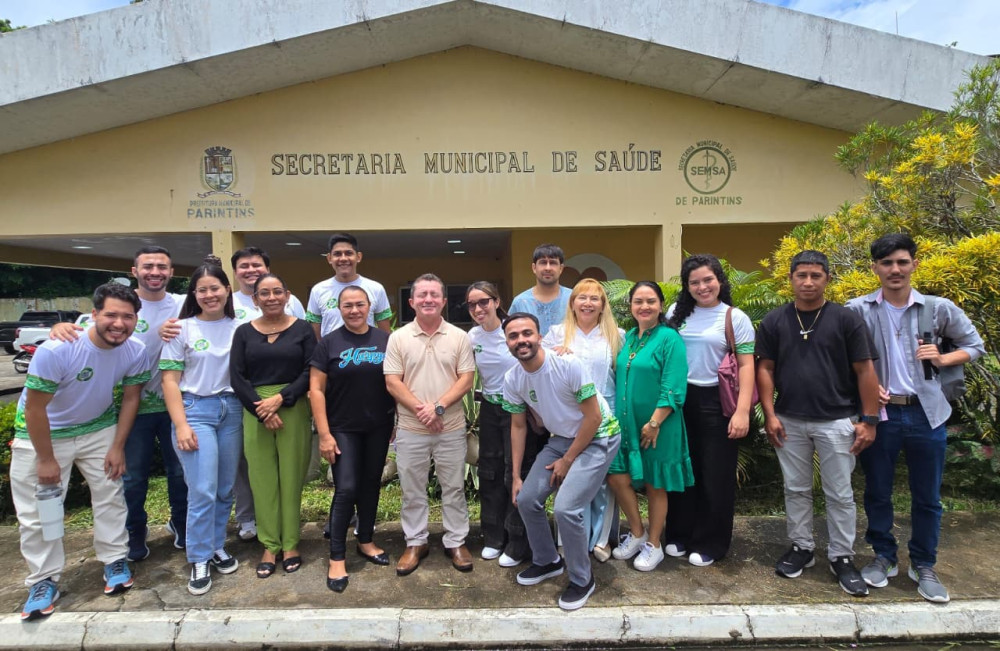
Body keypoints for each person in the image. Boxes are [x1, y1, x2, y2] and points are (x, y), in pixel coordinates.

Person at [846, 233, 984, 603]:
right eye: (887, 263)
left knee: (927, 496)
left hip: (927, 413)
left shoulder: (938, 309)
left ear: (914, 265)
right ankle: (884, 557)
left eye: (902, 262)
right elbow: (841, 359)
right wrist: (866, 391)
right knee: (877, 491)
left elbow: (975, 346)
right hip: (881, 415)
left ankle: (924, 564)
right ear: (875, 268)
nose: (895, 269)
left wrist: (941, 358)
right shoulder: (857, 309)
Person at [13, 283, 149, 620]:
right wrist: (45, 458)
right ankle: (43, 579)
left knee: (110, 495)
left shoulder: (135, 349)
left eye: (128, 317)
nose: (119, 323)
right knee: (41, 510)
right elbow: (34, 410)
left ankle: (115, 559)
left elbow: (131, 397)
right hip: (43, 435)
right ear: (95, 314)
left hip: (97, 429)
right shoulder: (58, 349)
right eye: (111, 315)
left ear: (136, 319)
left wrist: (117, 446)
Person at [49, 246, 189, 561]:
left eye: (162, 267)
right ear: (134, 270)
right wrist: (58, 327)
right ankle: (134, 535)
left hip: (175, 405)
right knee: (132, 478)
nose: (155, 272)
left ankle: (182, 525)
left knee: (181, 474)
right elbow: (87, 332)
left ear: (171, 272)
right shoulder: (119, 305)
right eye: (148, 266)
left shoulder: (183, 304)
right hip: (134, 409)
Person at [756, 250, 880, 597]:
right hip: (789, 421)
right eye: (801, 276)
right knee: (795, 489)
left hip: (837, 420)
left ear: (827, 279)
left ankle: (841, 557)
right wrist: (770, 414)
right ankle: (802, 548)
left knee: (839, 494)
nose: (808, 282)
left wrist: (868, 420)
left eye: (815, 275)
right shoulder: (775, 321)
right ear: (791, 279)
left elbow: (865, 370)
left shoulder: (846, 320)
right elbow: (764, 369)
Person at [502, 312, 621, 611]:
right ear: (506, 343)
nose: (521, 340)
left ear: (540, 336)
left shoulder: (567, 364)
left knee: (567, 508)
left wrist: (568, 460)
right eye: (513, 336)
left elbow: (593, 417)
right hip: (562, 438)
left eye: (527, 333)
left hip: (598, 435)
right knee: (527, 499)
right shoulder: (513, 378)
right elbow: (518, 426)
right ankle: (548, 561)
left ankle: (583, 579)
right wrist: (517, 477)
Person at [663, 254, 755, 567]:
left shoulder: (733, 317)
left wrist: (742, 412)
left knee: (715, 475)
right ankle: (679, 533)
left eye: (708, 280)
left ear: (719, 281)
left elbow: (746, 365)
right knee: (682, 470)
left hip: (717, 403)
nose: (702, 287)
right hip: (679, 400)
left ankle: (711, 541)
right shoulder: (675, 313)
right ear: (686, 287)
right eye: (695, 282)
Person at [160, 258, 242, 596]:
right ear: (194, 294)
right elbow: (169, 380)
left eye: (216, 288)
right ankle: (198, 556)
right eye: (202, 290)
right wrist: (180, 425)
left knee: (224, 488)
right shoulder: (182, 328)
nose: (210, 294)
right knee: (202, 488)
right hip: (195, 410)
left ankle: (216, 544)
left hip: (232, 410)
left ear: (226, 290)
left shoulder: (241, 326)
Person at [384, 273, 476, 575]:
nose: (428, 300)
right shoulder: (398, 338)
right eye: (422, 295)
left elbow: (466, 379)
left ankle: (456, 541)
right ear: (411, 302)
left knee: (453, 488)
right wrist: (422, 411)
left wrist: (437, 408)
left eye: (434, 295)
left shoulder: (459, 337)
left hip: (449, 427)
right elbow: (392, 381)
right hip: (411, 428)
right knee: (412, 489)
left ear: (444, 301)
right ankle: (415, 541)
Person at [309, 286, 396, 592]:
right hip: (342, 427)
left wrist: (396, 417)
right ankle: (336, 556)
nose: (355, 310)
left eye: (360, 304)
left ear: (369, 306)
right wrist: (324, 433)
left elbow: (396, 381)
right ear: (339, 308)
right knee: (346, 488)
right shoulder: (328, 343)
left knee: (371, 483)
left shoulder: (386, 340)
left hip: (378, 425)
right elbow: (316, 389)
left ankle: (366, 540)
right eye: (348, 305)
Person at [230, 273, 316, 579]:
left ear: (287, 295)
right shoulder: (243, 333)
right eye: (263, 293)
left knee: (291, 477)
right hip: (255, 410)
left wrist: (281, 399)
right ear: (254, 299)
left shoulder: (303, 329)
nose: (271, 297)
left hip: (291, 407)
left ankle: (291, 543)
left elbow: (311, 371)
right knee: (262, 479)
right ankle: (269, 544)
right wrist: (262, 409)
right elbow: (237, 377)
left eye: (277, 292)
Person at [607, 281, 693, 572]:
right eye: (638, 301)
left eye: (651, 301)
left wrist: (655, 421)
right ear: (630, 306)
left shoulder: (670, 339)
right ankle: (637, 530)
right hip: (626, 424)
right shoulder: (629, 337)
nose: (644, 306)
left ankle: (654, 544)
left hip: (660, 425)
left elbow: (674, 386)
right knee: (618, 476)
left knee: (656, 484)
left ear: (660, 305)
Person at [542, 278, 623, 562]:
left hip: (606, 417)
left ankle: (602, 539)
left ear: (603, 306)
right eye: (582, 298)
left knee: (601, 480)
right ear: (572, 303)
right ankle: (568, 539)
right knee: (569, 478)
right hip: (570, 417)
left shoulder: (616, 335)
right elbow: (542, 371)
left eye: (595, 298)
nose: (588, 303)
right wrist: (554, 354)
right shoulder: (556, 334)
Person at [466, 281, 533, 565]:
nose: (479, 308)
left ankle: (517, 541)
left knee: (515, 472)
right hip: (490, 407)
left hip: (520, 409)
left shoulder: (514, 330)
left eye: (484, 302)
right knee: (490, 471)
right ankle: (493, 536)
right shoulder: (472, 336)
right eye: (472, 304)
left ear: (496, 301)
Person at [306, 233, 393, 338]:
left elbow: (385, 336)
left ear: (358, 257)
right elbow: (316, 337)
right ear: (329, 258)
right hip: (330, 353)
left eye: (348, 253)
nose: (343, 258)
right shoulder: (318, 290)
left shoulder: (376, 289)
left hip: (367, 352)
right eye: (337, 254)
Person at [509, 243, 572, 337]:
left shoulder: (573, 298)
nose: (548, 268)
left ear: (561, 269)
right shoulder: (521, 302)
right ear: (534, 268)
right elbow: (510, 334)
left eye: (553, 263)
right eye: (543, 262)